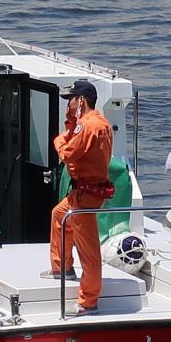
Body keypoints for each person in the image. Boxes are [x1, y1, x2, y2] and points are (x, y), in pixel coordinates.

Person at [43, 80, 114, 316]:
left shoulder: (87, 126)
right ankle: (62, 268)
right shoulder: (99, 122)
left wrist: (58, 140)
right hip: (83, 192)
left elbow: (68, 153)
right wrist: (71, 121)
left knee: (88, 249)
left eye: (71, 100)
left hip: (86, 194)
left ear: (81, 100)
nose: (69, 105)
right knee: (59, 215)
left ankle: (88, 300)